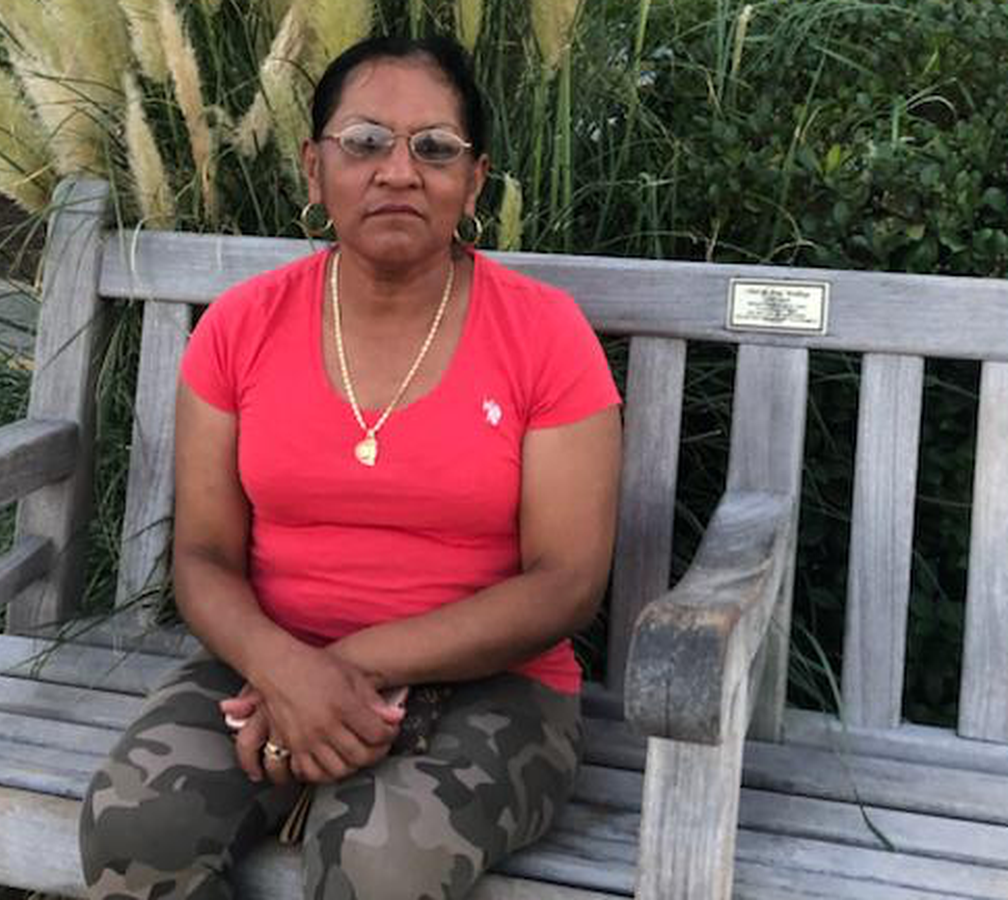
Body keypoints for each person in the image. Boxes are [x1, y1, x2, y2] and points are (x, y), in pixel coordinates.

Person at [79, 33, 622, 900]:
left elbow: (565, 583)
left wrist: (343, 670)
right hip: (265, 663)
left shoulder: (545, 336)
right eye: (365, 141)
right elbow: (204, 556)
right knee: (137, 825)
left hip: (494, 689)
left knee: (379, 859)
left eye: (434, 147)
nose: (398, 171)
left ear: (474, 181)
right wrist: (283, 668)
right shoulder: (240, 327)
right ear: (314, 167)